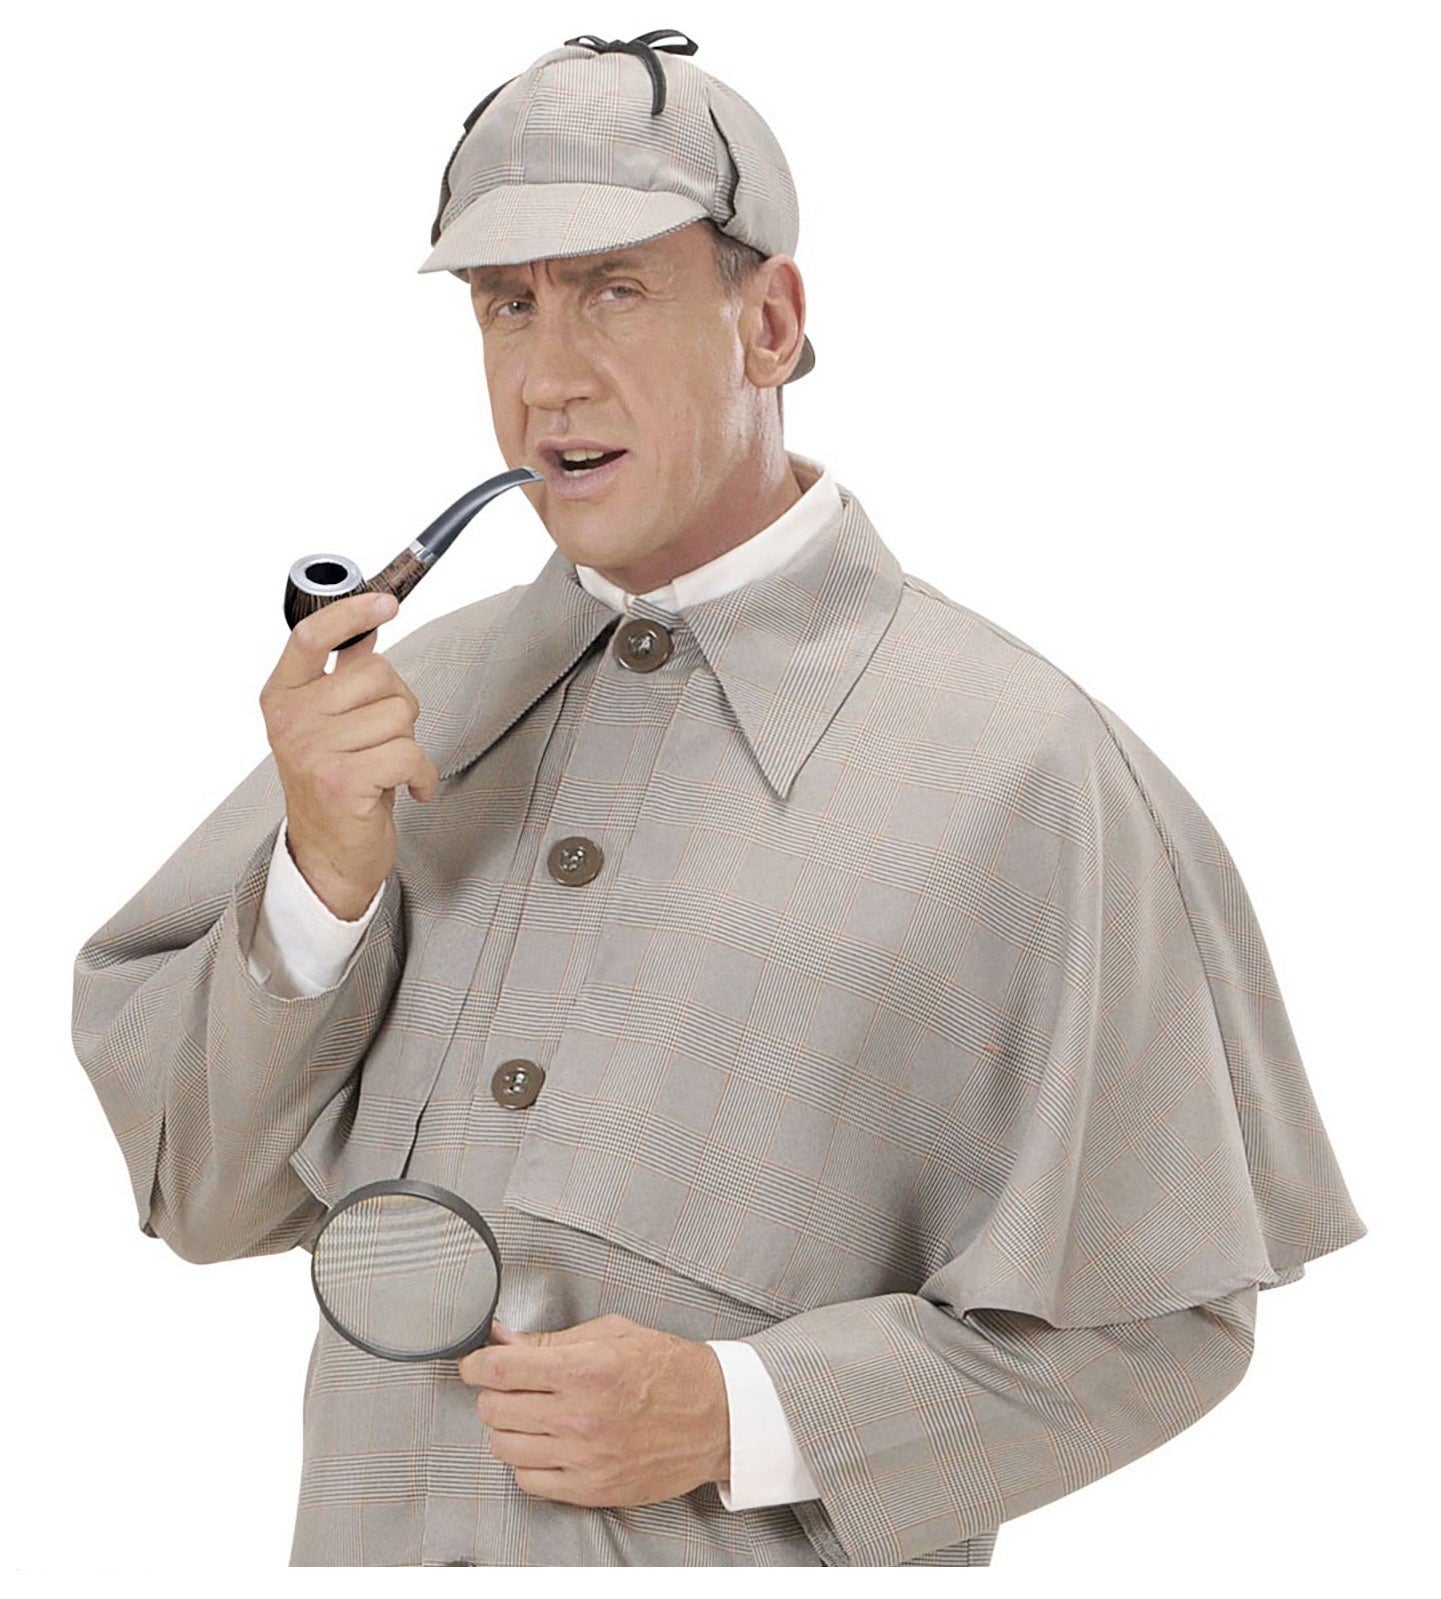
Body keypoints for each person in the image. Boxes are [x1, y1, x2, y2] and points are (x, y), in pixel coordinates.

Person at [71, 29, 1367, 1568]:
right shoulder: (407, 715)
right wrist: (320, 878)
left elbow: (1167, 1323)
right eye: (506, 305)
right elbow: (204, 1201)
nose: (549, 377)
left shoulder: (1026, 770)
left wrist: (747, 1416)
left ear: (769, 323)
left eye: (614, 290)